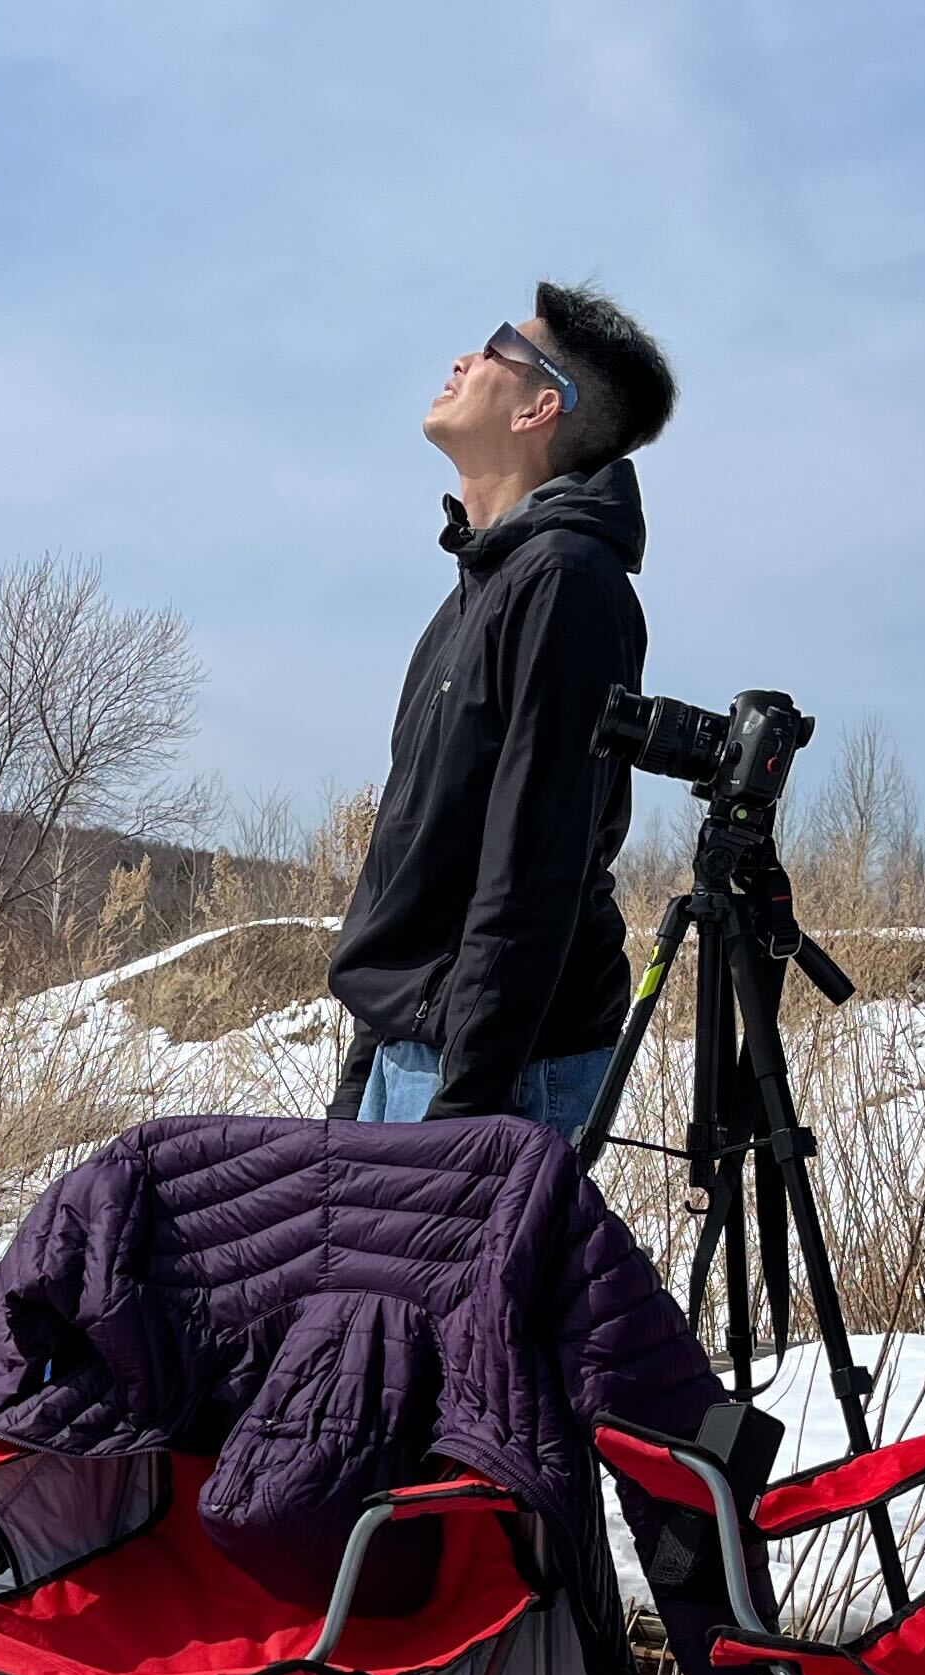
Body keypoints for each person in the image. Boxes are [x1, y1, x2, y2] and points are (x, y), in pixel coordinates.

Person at [331, 281, 679, 1138]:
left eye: (493, 349)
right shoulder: (476, 592)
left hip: (497, 1071)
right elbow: (414, 859)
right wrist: (362, 1074)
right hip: (417, 1056)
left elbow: (533, 867)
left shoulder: (565, 582)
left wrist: (465, 1108)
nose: (462, 359)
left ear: (539, 408)